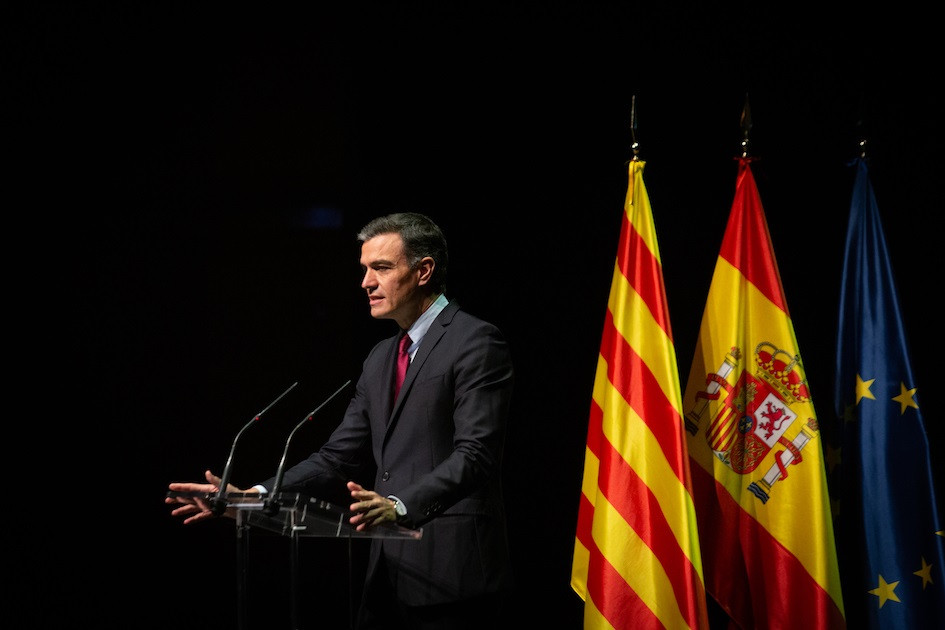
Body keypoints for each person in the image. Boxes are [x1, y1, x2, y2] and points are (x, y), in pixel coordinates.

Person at [166, 212, 515, 630]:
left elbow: (476, 455)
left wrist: (399, 505)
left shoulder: (475, 341)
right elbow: (336, 458)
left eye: (381, 268)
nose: (366, 282)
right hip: (385, 581)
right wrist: (253, 497)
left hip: (453, 577)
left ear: (424, 271)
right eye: (364, 269)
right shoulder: (381, 357)